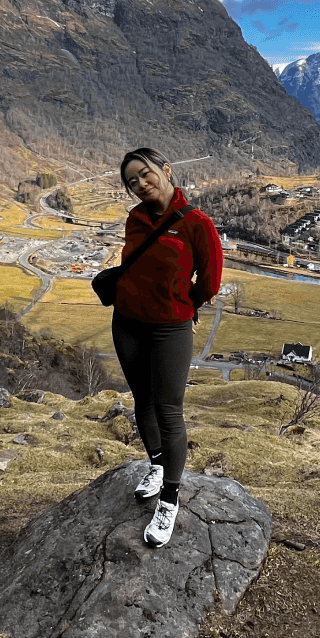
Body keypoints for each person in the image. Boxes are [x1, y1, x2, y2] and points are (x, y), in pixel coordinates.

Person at [107, 147, 224, 548]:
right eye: (131, 181)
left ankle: (170, 501)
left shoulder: (197, 223)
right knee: (142, 400)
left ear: (165, 170)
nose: (140, 184)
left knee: (169, 410)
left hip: (169, 329)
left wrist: (181, 305)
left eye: (145, 174)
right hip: (126, 323)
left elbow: (209, 282)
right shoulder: (135, 220)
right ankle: (156, 464)